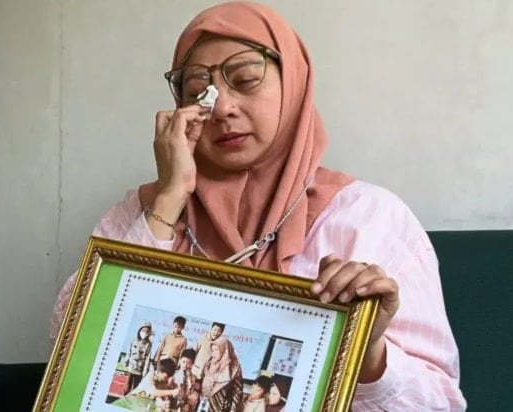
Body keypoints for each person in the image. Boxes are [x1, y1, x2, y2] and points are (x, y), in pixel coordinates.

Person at [51, 1, 466, 410]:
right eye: (199, 93)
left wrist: (368, 351)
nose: (223, 108)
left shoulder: (369, 219)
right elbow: (67, 348)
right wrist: (171, 194)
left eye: (246, 79)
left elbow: (442, 404)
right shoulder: (146, 210)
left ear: (294, 83)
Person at [199, 336, 244, 412]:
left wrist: (233, 409)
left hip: (222, 406)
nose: (214, 353)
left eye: (216, 350)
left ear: (225, 350)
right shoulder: (209, 364)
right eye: (212, 350)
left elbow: (237, 392)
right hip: (204, 404)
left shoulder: (234, 368)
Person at [125, 321, 154, 394]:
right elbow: (129, 350)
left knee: (136, 387)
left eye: (147, 331)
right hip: (131, 366)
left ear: (149, 333)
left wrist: (145, 370)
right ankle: (124, 395)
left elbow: (148, 358)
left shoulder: (148, 344)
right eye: (143, 330)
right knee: (127, 384)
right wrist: (126, 360)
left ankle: (131, 399)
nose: (145, 333)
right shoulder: (134, 339)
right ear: (140, 330)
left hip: (140, 368)